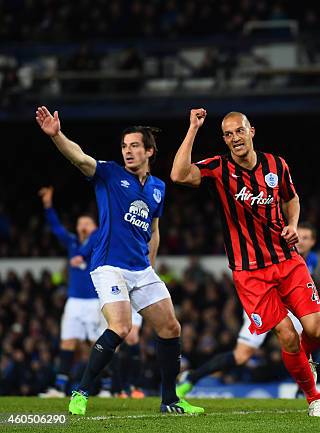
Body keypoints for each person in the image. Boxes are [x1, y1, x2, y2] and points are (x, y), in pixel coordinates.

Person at [35, 106, 203, 415]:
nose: (128, 151)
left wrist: (151, 263)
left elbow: (153, 230)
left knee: (170, 327)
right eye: (125, 146)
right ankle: (81, 391)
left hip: (141, 268)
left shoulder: (158, 188)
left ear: (149, 151)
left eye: (135, 145)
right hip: (109, 266)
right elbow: (79, 157)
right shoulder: (109, 173)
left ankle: (170, 401)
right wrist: (57, 135)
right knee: (122, 326)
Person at [170, 108, 320, 417]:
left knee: (317, 330)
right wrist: (192, 129)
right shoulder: (219, 167)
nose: (234, 138)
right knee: (286, 335)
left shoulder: (275, 164)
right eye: (228, 134)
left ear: (251, 131)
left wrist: (293, 225)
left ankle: (304, 360)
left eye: (239, 131)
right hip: (251, 273)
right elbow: (178, 175)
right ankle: (314, 397)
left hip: (287, 260)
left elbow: (291, 198)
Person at [175, 223, 319, 399]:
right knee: (242, 355)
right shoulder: (282, 253)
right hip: (263, 304)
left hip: (288, 309)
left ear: (313, 242)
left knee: (307, 338)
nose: (300, 242)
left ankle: (303, 391)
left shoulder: (312, 260)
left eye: (306, 238)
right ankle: (191, 378)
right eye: (299, 236)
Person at [36, 186, 99, 398]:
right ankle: (60, 388)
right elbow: (56, 228)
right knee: (68, 341)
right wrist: (48, 206)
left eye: (87, 223)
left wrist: (82, 254)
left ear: (94, 227)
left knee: (97, 344)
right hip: (74, 301)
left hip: (94, 301)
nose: (83, 226)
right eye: (80, 223)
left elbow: (95, 237)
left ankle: (107, 387)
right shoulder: (72, 242)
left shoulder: (98, 240)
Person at [71, 231, 145, 399]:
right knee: (116, 337)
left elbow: (153, 237)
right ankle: (115, 388)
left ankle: (134, 385)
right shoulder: (106, 229)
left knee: (133, 336)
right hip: (114, 283)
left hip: (137, 280)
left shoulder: (138, 224)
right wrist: (82, 255)